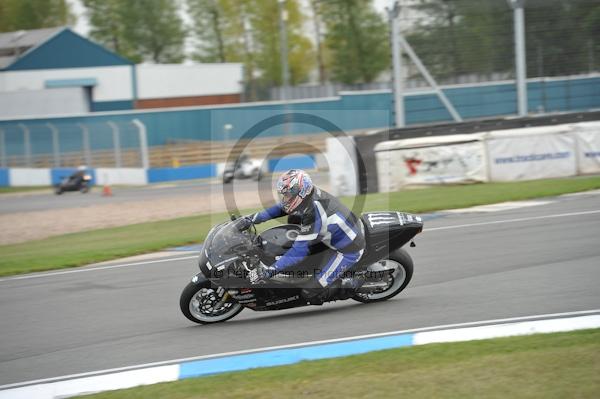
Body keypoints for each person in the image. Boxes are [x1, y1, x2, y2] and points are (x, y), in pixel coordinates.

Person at [241, 169, 366, 304]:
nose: (286, 198)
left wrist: (270, 271)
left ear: (300, 191)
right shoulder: (307, 197)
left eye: (288, 194)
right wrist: (251, 219)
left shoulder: (313, 211)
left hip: (348, 250)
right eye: (284, 194)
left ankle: (352, 284)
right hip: (332, 235)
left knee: (310, 292)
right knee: (293, 219)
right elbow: (281, 208)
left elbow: (299, 252)